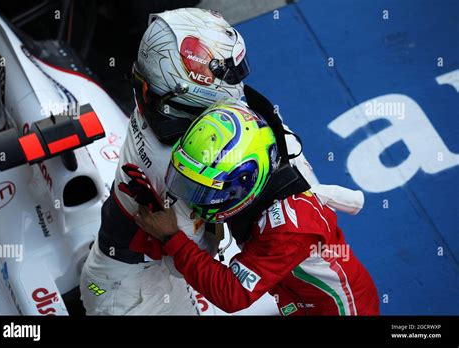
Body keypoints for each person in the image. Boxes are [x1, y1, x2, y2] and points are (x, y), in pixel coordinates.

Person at [80, 7, 363, 315]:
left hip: (319, 299)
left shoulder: (151, 97)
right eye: (223, 72)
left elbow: (228, 287)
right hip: (133, 290)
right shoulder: (270, 131)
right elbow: (192, 259)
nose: (233, 84)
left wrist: (174, 236)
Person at [134, 98, 380, 315]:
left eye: (203, 191)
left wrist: (172, 237)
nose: (195, 199)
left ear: (245, 180)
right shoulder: (260, 140)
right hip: (297, 295)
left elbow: (232, 295)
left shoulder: (287, 231)